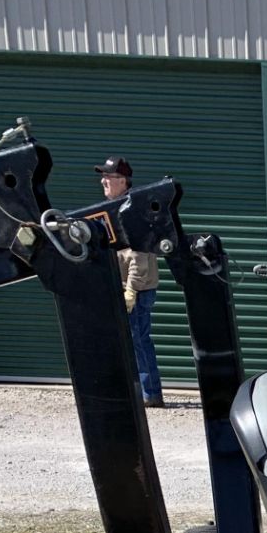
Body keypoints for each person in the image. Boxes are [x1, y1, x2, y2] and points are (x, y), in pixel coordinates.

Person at [94, 154, 164, 408]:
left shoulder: (132, 210)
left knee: (138, 340)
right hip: (122, 287)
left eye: (108, 177)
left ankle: (151, 394)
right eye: (102, 177)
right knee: (130, 342)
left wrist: (131, 291)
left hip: (138, 289)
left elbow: (141, 257)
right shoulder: (113, 210)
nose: (103, 181)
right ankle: (140, 391)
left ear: (123, 181)